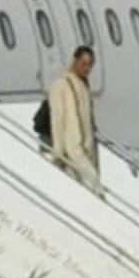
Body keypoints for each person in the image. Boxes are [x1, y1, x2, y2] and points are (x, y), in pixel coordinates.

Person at [49, 46, 102, 195]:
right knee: (93, 183)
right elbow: (57, 118)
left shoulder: (83, 85)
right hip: (72, 147)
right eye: (84, 64)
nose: (87, 69)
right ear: (75, 61)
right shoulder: (60, 85)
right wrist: (58, 150)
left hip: (87, 147)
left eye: (90, 65)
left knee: (84, 187)